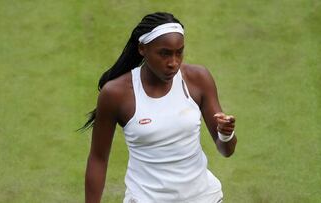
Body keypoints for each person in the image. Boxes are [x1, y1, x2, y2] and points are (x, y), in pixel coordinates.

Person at [83, 12, 237, 203]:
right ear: (142, 49)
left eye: (179, 52)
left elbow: (226, 150)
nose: (173, 63)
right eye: (164, 53)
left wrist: (226, 133)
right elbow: (98, 159)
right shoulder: (116, 94)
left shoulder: (198, 79)